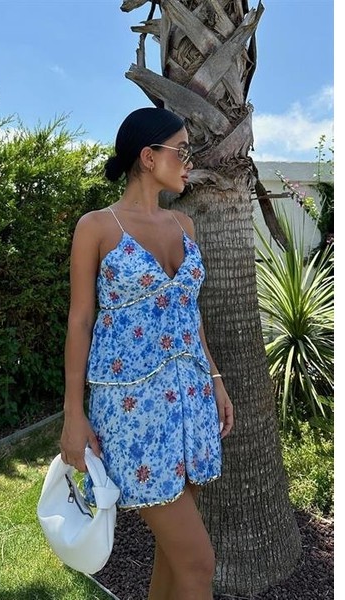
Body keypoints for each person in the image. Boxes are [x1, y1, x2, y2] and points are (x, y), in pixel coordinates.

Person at [60, 106, 234, 600]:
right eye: (182, 151)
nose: (189, 163)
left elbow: (189, 315)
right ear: (148, 156)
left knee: (174, 559)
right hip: (134, 411)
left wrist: (216, 381)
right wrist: (73, 415)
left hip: (192, 402)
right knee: (199, 563)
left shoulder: (185, 225)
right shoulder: (97, 227)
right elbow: (80, 321)